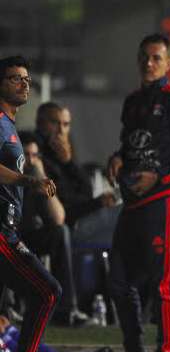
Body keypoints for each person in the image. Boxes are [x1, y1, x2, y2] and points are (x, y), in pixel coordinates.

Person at [106, 34, 170, 352]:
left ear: (169, 63)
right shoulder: (132, 102)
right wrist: (118, 159)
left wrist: (159, 175)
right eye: (144, 58)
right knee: (119, 280)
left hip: (163, 200)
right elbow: (130, 144)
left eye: (156, 58)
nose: (149, 64)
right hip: (132, 202)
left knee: (162, 282)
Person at [0, 55, 62, 352]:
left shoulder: (10, 124)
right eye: (14, 78)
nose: (24, 84)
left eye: (26, 78)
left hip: (10, 227)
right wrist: (28, 181)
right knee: (48, 291)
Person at [18, 131, 88, 326]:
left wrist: (40, 175)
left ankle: (66, 309)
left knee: (61, 232)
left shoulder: (35, 178)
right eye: (26, 156)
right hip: (7, 238)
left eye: (35, 156)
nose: (30, 161)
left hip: (28, 238)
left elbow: (59, 218)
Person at [35, 102, 120, 249]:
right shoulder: (35, 155)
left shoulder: (64, 152)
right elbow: (61, 211)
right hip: (68, 225)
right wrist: (98, 203)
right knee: (125, 217)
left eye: (66, 124)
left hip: (84, 217)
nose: (61, 130)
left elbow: (87, 191)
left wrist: (69, 162)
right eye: (55, 123)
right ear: (40, 123)